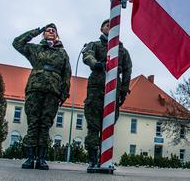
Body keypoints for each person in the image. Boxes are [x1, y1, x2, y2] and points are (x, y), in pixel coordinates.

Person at [13, 23, 72, 170]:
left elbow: (67, 75)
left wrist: (63, 95)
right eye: (47, 30)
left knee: (45, 124)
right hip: (35, 89)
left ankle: (41, 158)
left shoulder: (62, 53)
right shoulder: (35, 49)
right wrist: (36, 31)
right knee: (33, 123)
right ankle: (30, 157)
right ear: (44, 34)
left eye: (53, 31)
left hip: (53, 91)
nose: (50, 32)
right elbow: (17, 43)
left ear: (57, 35)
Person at [82, 19, 132, 169]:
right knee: (93, 126)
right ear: (101, 29)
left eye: (113, 26)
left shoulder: (122, 51)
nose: (110, 28)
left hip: (113, 91)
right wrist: (96, 64)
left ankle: (105, 160)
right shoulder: (95, 45)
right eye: (107, 25)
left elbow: (127, 71)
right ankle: (92, 160)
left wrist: (123, 91)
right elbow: (87, 55)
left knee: (108, 126)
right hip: (96, 90)